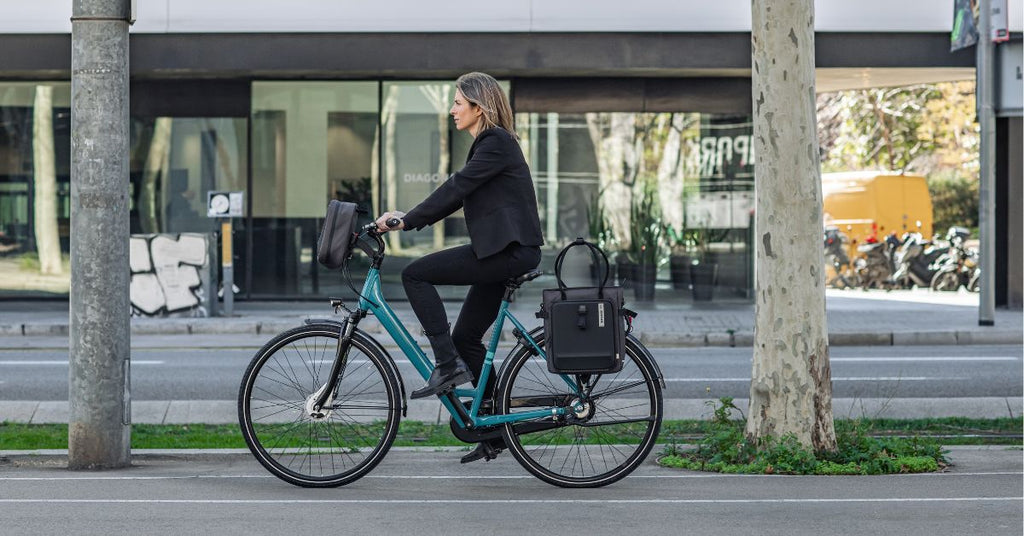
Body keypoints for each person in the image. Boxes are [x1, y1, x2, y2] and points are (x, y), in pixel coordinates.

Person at [375, 72, 543, 463]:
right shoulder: (491, 145)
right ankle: (493, 427)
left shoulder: (495, 141)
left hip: (509, 252)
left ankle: (446, 365)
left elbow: (456, 186)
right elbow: (459, 193)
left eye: (457, 103)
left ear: (478, 106)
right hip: (502, 251)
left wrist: (406, 220)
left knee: (414, 274)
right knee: (467, 336)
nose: (451, 110)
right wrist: (409, 218)